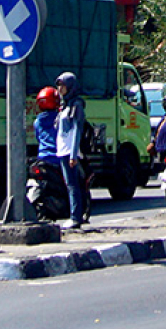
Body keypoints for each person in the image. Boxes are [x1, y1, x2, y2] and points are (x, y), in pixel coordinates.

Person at [55, 72, 90, 228]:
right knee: (70, 184)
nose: (59, 88)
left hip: (70, 151)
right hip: (63, 150)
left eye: (62, 85)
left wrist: (73, 153)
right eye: (59, 85)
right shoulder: (65, 105)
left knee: (72, 184)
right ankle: (77, 214)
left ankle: (75, 217)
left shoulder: (76, 105)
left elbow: (76, 130)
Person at [33, 86, 60, 166]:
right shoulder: (61, 119)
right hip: (59, 158)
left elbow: (38, 138)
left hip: (42, 158)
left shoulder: (37, 121)